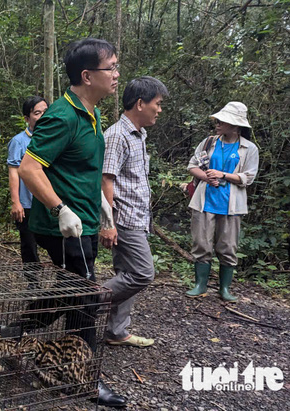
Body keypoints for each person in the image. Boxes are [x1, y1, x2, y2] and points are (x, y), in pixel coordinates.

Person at [17, 38, 126, 408]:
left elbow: (82, 169)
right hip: (64, 227)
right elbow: (30, 168)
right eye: (110, 67)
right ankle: (83, 378)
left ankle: (15, 331)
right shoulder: (62, 115)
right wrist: (60, 207)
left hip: (87, 222)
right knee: (85, 297)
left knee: (72, 291)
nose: (116, 74)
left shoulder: (91, 114)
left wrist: (101, 204)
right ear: (87, 75)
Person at [99, 77, 168, 348]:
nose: (159, 109)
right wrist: (108, 223)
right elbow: (106, 180)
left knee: (126, 273)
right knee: (142, 273)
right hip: (124, 220)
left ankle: (116, 331)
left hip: (137, 219)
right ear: (140, 104)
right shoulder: (117, 135)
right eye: (157, 104)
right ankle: (86, 301)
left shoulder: (138, 134)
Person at [185, 102, 259, 302]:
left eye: (222, 121)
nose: (217, 123)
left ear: (235, 125)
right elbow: (192, 165)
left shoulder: (248, 148)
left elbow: (249, 177)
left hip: (231, 205)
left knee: (227, 247)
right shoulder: (209, 142)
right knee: (201, 244)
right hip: (204, 201)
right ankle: (200, 285)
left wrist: (223, 175)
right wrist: (206, 177)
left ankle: (224, 288)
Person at [7, 96, 46, 274]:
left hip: (49, 201)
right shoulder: (18, 142)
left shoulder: (52, 138)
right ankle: (33, 284)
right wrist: (16, 202)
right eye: (37, 113)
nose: (43, 116)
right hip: (28, 202)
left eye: (46, 111)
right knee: (29, 245)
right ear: (27, 118)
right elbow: (14, 171)